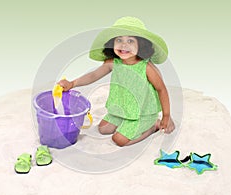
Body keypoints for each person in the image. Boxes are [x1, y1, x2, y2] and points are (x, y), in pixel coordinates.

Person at [58, 16, 175, 147]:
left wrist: (166, 116)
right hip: (121, 110)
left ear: (141, 46)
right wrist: (72, 83)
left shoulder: (146, 68)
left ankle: (153, 125)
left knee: (118, 140)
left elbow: (161, 89)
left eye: (130, 41)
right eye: (119, 40)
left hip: (142, 113)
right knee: (103, 129)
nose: (124, 44)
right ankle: (126, 122)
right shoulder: (114, 63)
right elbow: (93, 75)